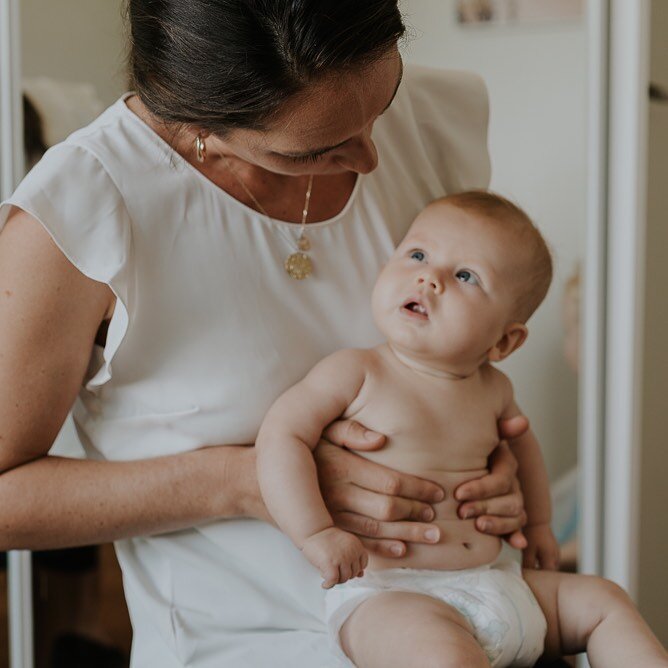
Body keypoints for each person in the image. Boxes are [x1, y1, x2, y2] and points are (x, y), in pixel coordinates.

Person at [0, 2, 534, 665]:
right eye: (314, 150)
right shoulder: (83, 212)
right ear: (202, 129)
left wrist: (484, 456)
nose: (369, 156)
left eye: (383, 99)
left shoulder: (432, 115)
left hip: (475, 622)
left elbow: (463, 350)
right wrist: (245, 481)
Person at [257, 192, 668, 667]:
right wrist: (315, 532)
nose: (429, 277)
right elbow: (282, 435)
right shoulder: (357, 372)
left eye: (465, 276)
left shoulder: (495, 389)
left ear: (504, 340)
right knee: (440, 656)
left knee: (604, 600)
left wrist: (538, 526)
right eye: (418, 255)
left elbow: (524, 450)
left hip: (502, 579)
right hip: (393, 594)